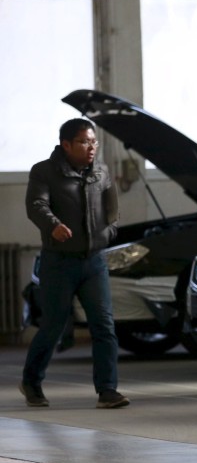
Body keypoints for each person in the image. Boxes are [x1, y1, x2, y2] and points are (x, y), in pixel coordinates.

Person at [21, 117, 129, 408]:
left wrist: (109, 232)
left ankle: (107, 390)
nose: (90, 147)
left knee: (104, 326)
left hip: (94, 262)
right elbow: (36, 205)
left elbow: (113, 210)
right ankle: (31, 382)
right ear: (66, 144)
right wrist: (53, 225)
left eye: (93, 141)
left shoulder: (102, 172)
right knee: (53, 325)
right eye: (83, 142)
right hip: (59, 262)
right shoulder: (44, 171)